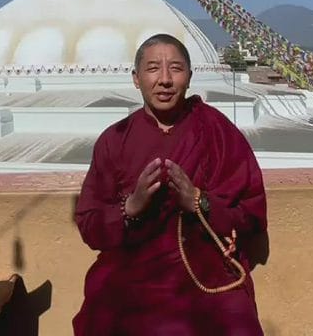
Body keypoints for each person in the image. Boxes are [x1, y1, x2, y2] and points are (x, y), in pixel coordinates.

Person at [73, 33, 268, 335]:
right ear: (136, 79)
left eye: (175, 68)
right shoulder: (116, 140)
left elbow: (251, 214)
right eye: (153, 68)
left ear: (189, 77)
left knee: (236, 319)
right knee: (103, 313)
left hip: (205, 271)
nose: (164, 79)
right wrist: (131, 207)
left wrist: (200, 202)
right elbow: (89, 223)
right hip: (133, 271)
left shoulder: (217, 131)